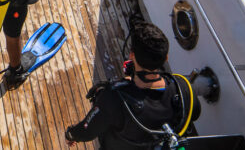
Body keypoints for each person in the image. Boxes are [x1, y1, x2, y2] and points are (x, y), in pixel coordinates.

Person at [65, 17, 200, 148]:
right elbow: (195, 113)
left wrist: (70, 135)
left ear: (132, 55)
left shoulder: (114, 98)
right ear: (166, 58)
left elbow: (87, 131)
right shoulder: (183, 88)